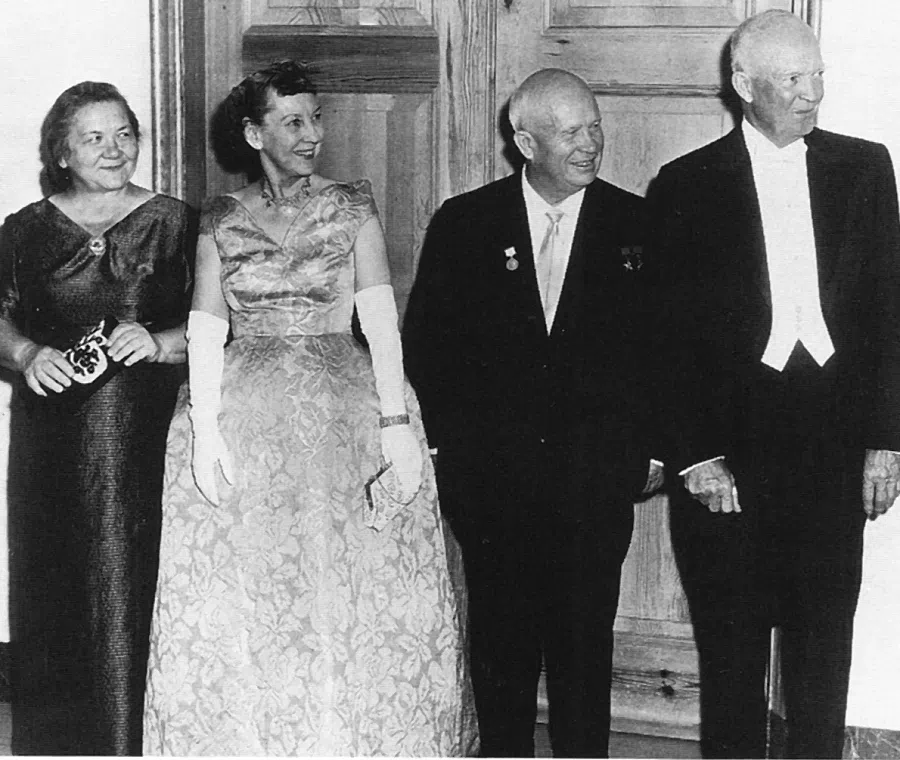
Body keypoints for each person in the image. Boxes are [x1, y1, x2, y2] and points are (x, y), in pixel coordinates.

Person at [142, 60, 471, 756]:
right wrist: (204, 428)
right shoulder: (222, 217)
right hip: (248, 418)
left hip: (342, 413)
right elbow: (206, 326)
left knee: (345, 586)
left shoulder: (353, 204)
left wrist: (396, 422)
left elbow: (381, 321)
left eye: (316, 118)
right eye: (293, 121)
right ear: (253, 132)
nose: (312, 133)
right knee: (260, 588)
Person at [649, 10, 900, 758]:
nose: (812, 93)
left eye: (817, 74)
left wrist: (888, 442)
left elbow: (892, 310)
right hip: (732, 466)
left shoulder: (865, 167)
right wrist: (694, 458)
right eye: (793, 79)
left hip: (832, 459)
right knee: (731, 668)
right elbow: (664, 341)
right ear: (742, 84)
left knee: (823, 665)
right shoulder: (686, 185)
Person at [403, 68, 664, 758]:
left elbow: (667, 355)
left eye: (595, 125)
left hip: (595, 485)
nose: (591, 143)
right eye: (571, 131)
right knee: (501, 654)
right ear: (525, 141)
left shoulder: (636, 225)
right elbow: (429, 352)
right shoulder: (465, 224)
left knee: (584, 657)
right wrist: (451, 461)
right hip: (494, 492)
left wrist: (655, 453)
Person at [0, 81, 195, 755]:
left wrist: (162, 342)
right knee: (50, 583)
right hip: (48, 441)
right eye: (94, 137)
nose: (113, 150)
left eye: (124, 134)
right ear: (61, 151)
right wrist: (25, 351)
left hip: (143, 438)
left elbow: (222, 320)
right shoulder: (24, 230)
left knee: (131, 577)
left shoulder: (175, 221)